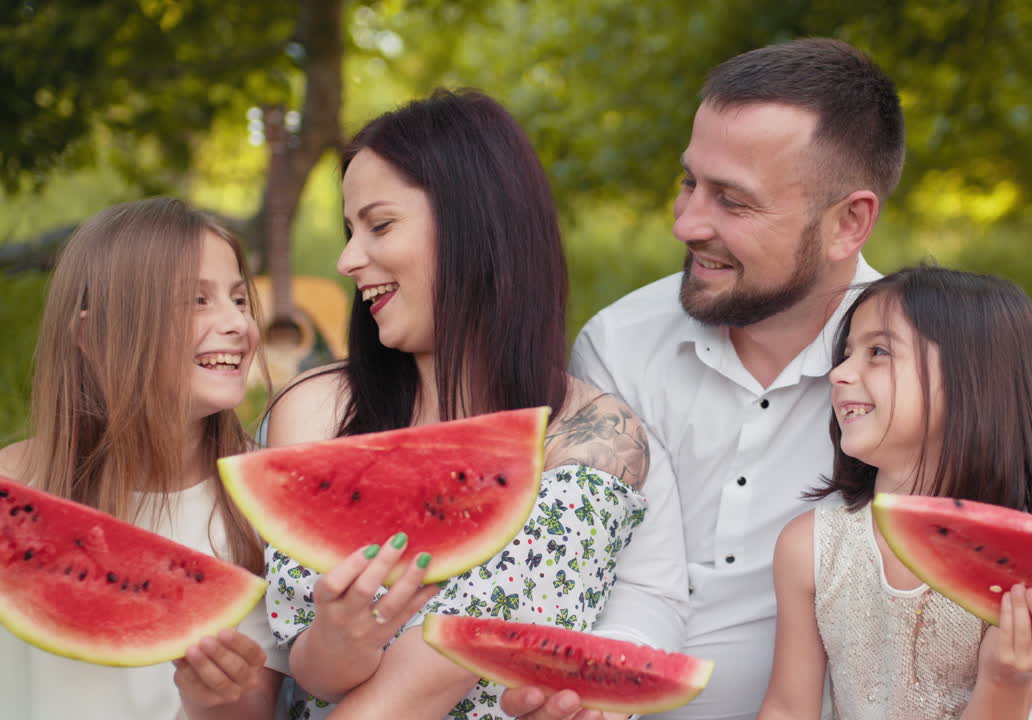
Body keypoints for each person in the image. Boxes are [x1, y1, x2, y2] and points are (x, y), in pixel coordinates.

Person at [255, 89, 689, 719]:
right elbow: (310, 671)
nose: (348, 260)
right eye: (349, 231)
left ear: (473, 224)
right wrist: (340, 638)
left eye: (379, 226)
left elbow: (639, 607)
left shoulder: (597, 435)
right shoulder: (315, 409)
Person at [505, 38, 899, 720]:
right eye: (690, 183)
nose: (686, 224)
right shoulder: (619, 345)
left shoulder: (937, 368)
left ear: (849, 222)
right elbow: (615, 572)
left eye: (734, 202)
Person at [757, 266, 1032, 719]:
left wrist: (1006, 679)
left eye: (878, 352)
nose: (839, 373)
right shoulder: (810, 548)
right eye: (847, 353)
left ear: (971, 379)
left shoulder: (1027, 566)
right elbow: (787, 708)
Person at [0, 197, 283, 720]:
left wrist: (209, 700)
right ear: (95, 337)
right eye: (196, 300)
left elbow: (253, 709)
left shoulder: (258, 507)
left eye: (240, 299)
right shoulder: (10, 487)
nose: (237, 323)